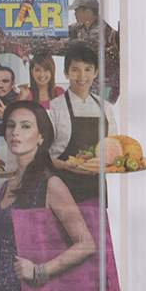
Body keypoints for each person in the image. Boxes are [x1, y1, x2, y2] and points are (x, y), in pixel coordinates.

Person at [0, 100, 96, 291]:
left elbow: (86, 244)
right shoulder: (3, 188)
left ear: (41, 137)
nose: (15, 132)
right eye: (11, 126)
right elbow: (7, 250)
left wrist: (40, 271)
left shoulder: (51, 184)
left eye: (25, 126)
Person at [47, 41, 116, 203]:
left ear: (96, 73)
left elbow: (113, 147)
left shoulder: (105, 107)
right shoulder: (55, 106)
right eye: (75, 70)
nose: (82, 77)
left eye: (88, 70)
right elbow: (42, 155)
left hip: (96, 189)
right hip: (61, 186)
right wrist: (64, 165)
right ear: (66, 73)